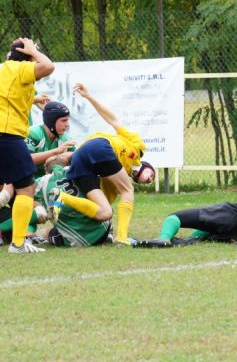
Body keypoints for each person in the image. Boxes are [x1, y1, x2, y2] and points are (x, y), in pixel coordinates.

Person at [48, 83, 156, 245]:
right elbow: (112, 119)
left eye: (151, 181)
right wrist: (89, 97)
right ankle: (122, 237)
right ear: (146, 166)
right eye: (152, 175)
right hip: (97, 146)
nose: (150, 180)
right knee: (128, 190)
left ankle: (62, 197)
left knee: (105, 212)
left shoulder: (115, 180)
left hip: (83, 161)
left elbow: (96, 207)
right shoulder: (138, 146)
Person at [0, 38, 54, 253]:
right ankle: (19, 243)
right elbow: (48, 66)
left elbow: (7, 95)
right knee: (25, 188)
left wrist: (34, 99)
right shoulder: (21, 67)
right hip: (7, 135)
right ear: (28, 57)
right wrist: (33, 51)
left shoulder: (4, 69)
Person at [36, 154, 112, 247]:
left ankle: (60, 199)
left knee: (48, 231)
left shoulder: (41, 181)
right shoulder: (78, 170)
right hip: (103, 230)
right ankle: (110, 235)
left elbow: (25, 194)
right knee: (103, 203)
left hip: (79, 240)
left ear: (46, 169)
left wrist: (38, 206)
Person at [26, 101, 76, 178]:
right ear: (51, 121)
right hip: (29, 181)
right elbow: (25, 160)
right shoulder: (33, 133)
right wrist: (56, 151)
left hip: (52, 182)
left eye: (68, 120)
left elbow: (78, 160)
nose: (67, 124)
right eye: (63, 120)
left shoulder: (66, 139)